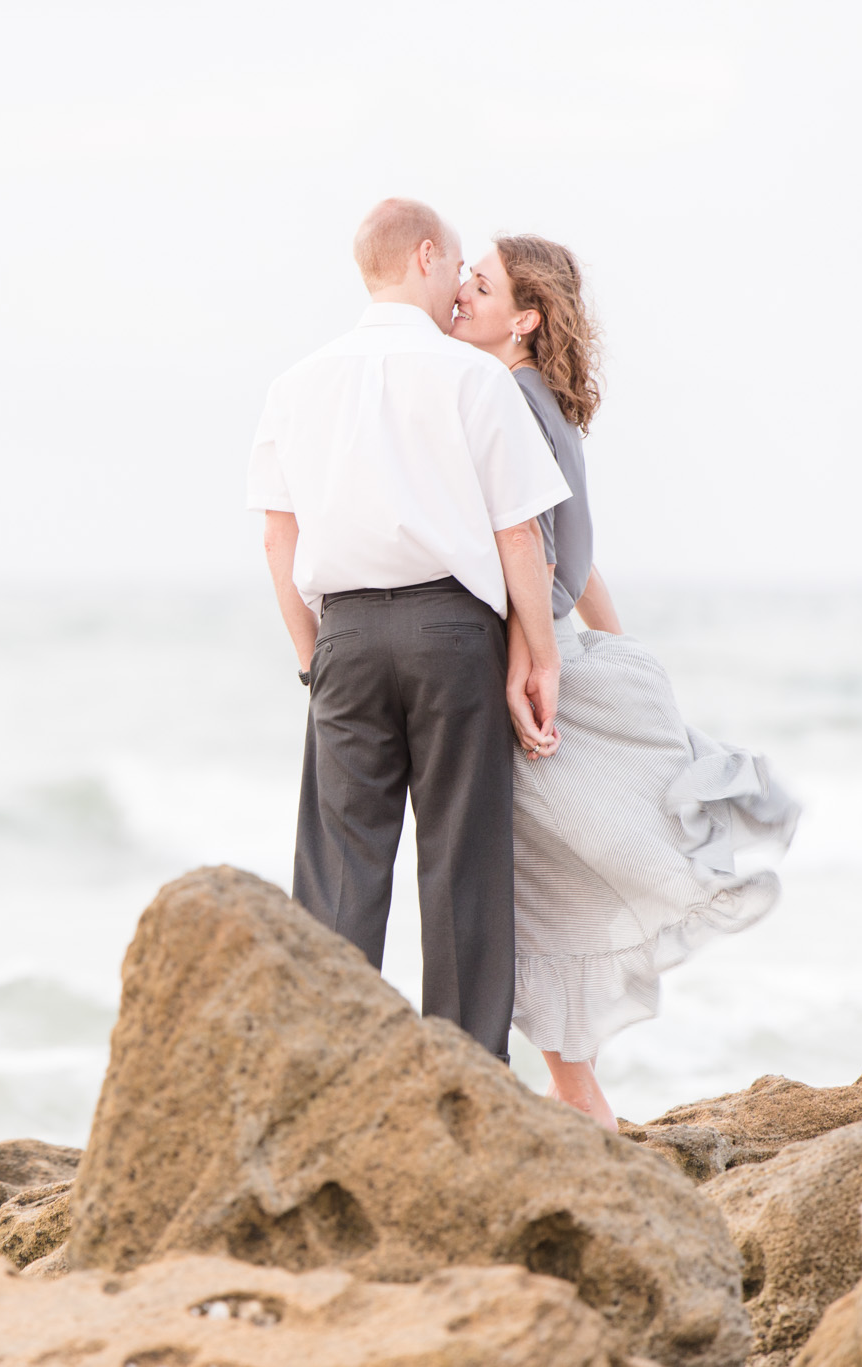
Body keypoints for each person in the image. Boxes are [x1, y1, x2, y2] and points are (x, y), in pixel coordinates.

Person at [449, 235, 800, 1127]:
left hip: (529, 660)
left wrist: (547, 659)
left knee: (539, 887)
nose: (460, 290)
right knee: (554, 882)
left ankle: (579, 1101)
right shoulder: (539, 400)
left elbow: (534, 549)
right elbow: (583, 555)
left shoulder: (508, 401)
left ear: (523, 318)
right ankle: (579, 1095)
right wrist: (617, 654)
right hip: (557, 650)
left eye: (479, 283)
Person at [247, 198, 571, 1063]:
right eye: (456, 267)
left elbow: (278, 538)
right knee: (463, 867)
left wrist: (314, 657)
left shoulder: (295, 383)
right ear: (426, 256)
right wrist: (536, 658)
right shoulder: (474, 380)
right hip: (454, 634)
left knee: (339, 876)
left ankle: (322, 1080)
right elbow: (517, 537)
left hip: (344, 631)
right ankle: (468, 1090)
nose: (459, 288)